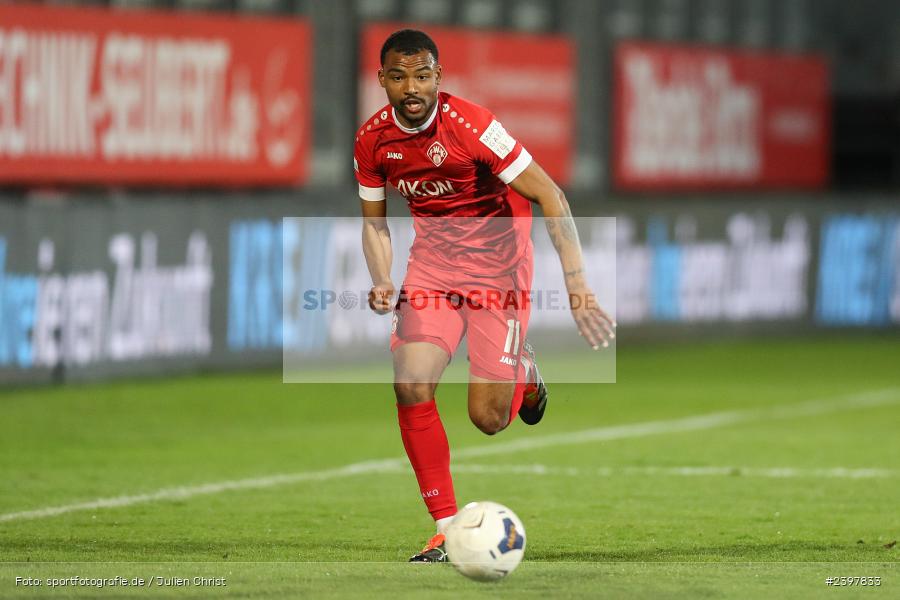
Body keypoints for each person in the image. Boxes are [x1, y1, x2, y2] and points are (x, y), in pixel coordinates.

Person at [355, 29, 615, 562]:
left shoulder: (473, 125)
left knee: (489, 419)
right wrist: (381, 278)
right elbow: (375, 225)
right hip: (431, 270)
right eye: (399, 76)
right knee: (410, 383)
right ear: (382, 79)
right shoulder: (371, 141)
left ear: (438, 78)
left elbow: (550, 193)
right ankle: (446, 528)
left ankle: (523, 368)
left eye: (422, 76)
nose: (412, 87)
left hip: (499, 270)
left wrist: (578, 286)